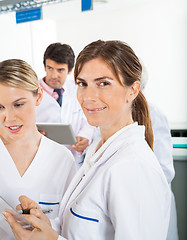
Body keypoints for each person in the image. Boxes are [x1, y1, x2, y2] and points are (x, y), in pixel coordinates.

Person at [4, 40, 171, 240]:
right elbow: (80, 229)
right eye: (83, 84)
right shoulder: (98, 154)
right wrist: (46, 225)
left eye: (104, 83)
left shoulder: (134, 167)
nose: (88, 96)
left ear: (133, 90)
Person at [0, 59, 77, 239]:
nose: (8, 118)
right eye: (0, 107)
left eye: (18, 104)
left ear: (39, 97)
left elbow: (70, 228)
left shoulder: (62, 160)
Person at [36, 43, 94, 166]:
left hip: (73, 160)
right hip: (43, 159)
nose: (53, 75)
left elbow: (88, 119)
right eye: (50, 68)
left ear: (70, 70)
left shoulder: (77, 89)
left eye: (60, 70)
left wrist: (85, 136)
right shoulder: (31, 92)